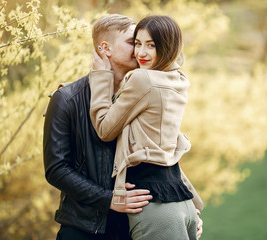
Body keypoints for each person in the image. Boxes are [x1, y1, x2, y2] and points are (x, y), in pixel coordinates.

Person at [89, 15, 203, 240]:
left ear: (168, 47)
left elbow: (104, 128)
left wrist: (101, 76)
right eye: (137, 43)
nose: (140, 53)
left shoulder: (143, 79)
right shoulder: (178, 79)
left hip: (155, 206)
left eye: (151, 45)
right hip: (182, 203)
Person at [43, 14, 154, 240]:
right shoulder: (66, 99)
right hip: (83, 228)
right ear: (105, 48)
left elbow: (162, 154)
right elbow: (56, 169)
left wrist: (186, 206)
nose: (140, 50)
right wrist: (108, 199)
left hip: (134, 227)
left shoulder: (141, 96)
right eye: (133, 42)